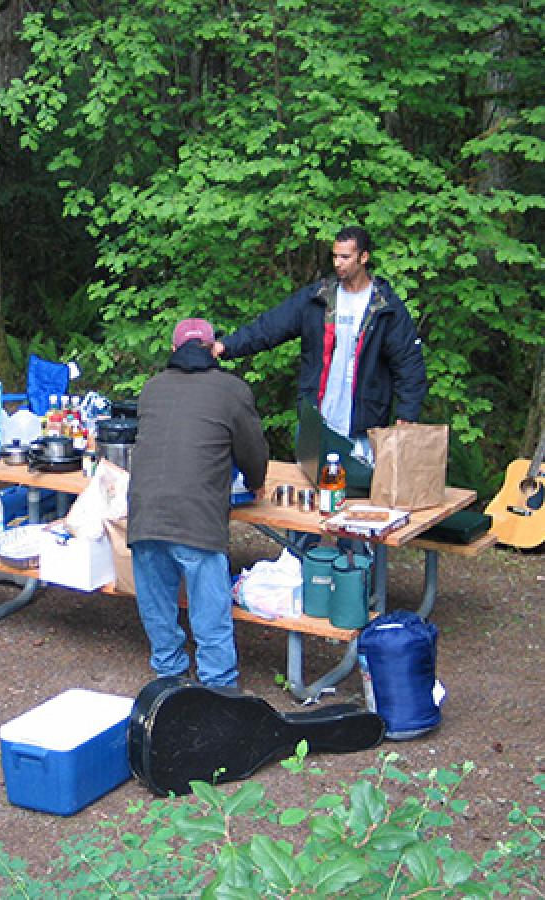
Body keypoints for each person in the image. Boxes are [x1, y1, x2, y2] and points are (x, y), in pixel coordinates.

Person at [127, 318, 269, 688]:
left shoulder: (151, 388)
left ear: (175, 351)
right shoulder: (231, 390)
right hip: (198, 520)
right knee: (211, 615)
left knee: (158, 607)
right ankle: (218, 688)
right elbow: (253, 452)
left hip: (145, 516)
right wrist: (256, 483)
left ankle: (169, 678)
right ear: (212, 349)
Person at [212, 226, 427, 456]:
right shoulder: (317, 299)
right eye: (335, 256)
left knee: (359, 492)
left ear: (364, 257)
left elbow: (409, 364)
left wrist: (407, 413)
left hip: (364, 429)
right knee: (310, 489)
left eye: (345, 257)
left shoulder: (386, 308)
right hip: (317, 423)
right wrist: (225, 346)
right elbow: (270, 327)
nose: (338, 263)